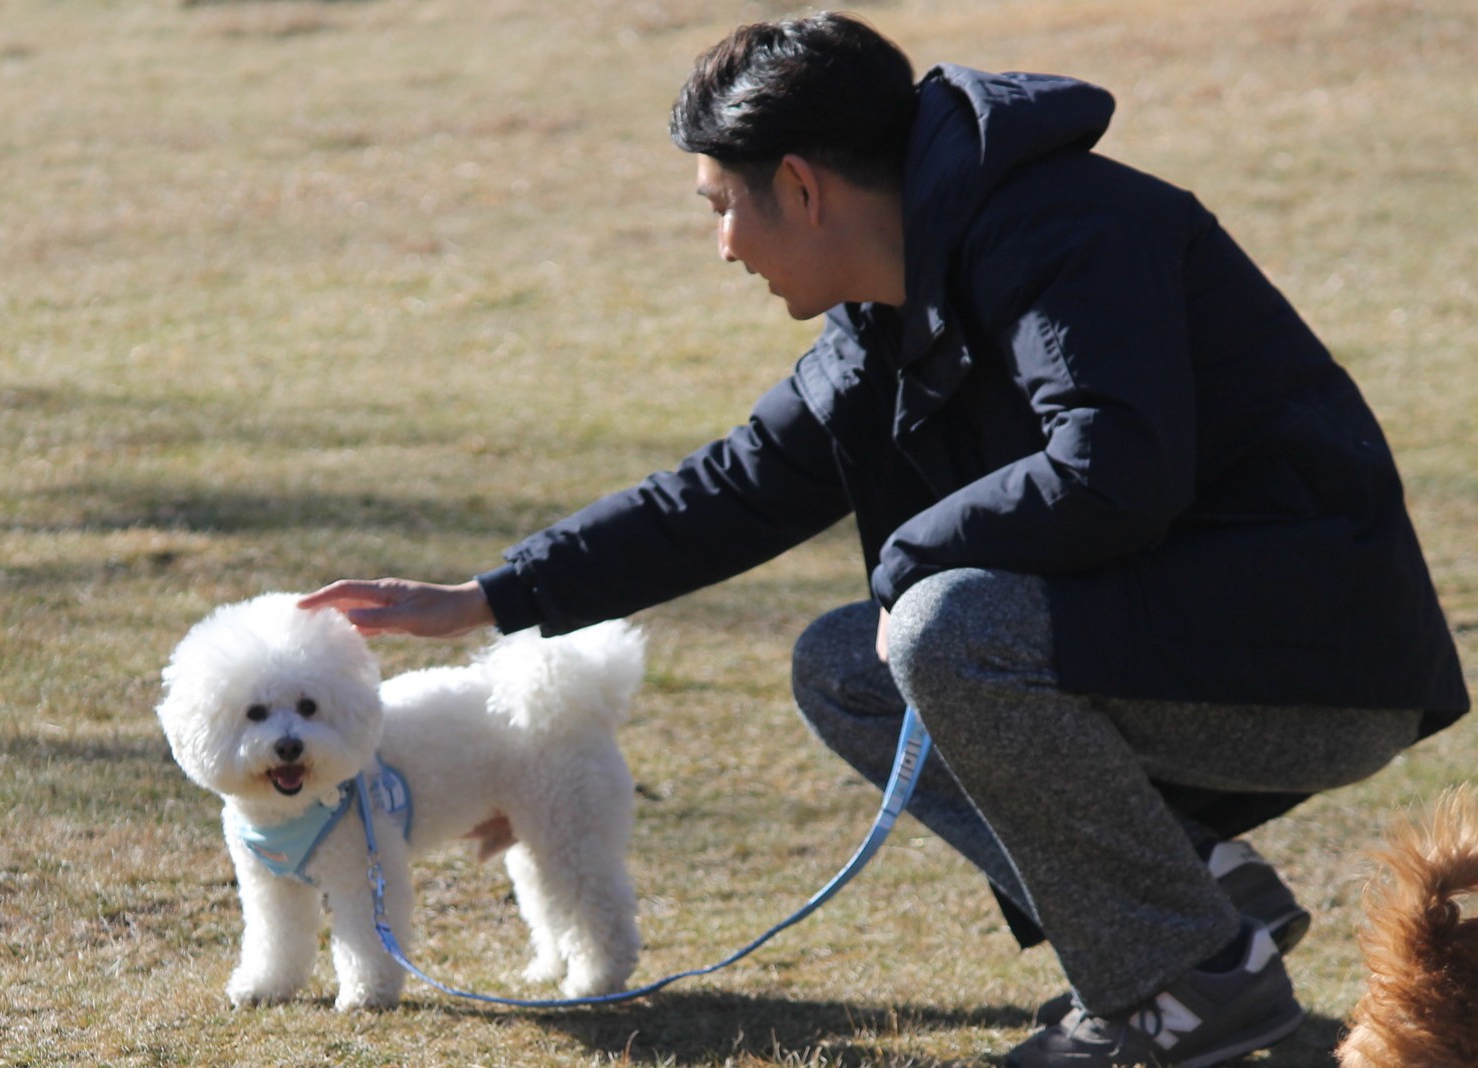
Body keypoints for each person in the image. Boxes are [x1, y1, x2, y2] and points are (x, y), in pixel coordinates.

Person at [299, 12, 1469, 1067]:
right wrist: (486, 597)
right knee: (849, 667)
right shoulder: (883, 310)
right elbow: (727, 488)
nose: (723, 247)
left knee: (946, 627)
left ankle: (1179, 987)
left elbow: (1118, 467)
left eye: (721, 207)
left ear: (799, 188)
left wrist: (917, 555)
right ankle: (1203, 911)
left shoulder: (1068, 234)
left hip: (1315, 667)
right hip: (1180, 647)